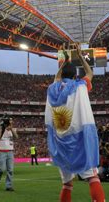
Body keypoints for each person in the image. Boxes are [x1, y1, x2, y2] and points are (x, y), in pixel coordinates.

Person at [45, 45, 105, 202]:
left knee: (67, 184)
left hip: (61, 145)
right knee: (92, 177)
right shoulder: (80, 86)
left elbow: (57, 78)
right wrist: (80, 56)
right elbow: (90, 73)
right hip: (79, 143)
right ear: (74, 77)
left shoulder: (53, 89)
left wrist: (64, 62)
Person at [0, 117, 18, 191]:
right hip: (2, 151)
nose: (11, 121)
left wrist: (12, 129)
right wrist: (1, 129)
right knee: (1, 169)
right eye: (10, 120)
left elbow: (16, 136)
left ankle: (8, 186)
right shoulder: (1, 129)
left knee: (10, 170)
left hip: (10, 151)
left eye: (12, 120)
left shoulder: (13, 129)